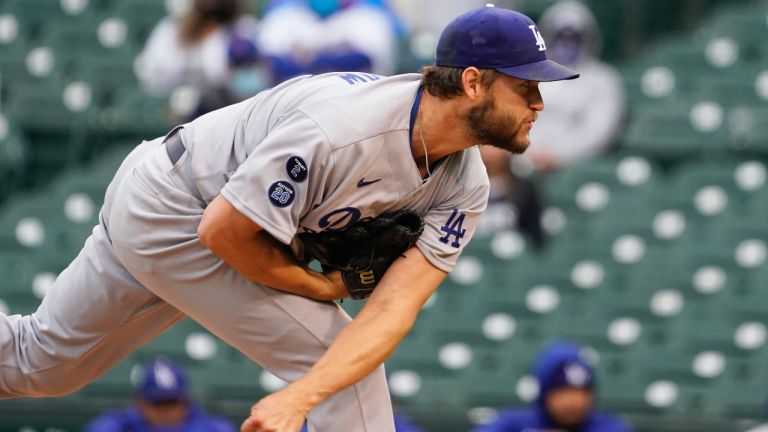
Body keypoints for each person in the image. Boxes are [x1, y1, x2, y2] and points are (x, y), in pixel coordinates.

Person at [0, 5, 577, 432]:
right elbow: (222, 232)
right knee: (344, 379)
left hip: (175, 197)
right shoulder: (346, 130)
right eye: (526, 86)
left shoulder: (465, 183)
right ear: (473, 82)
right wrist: (312, 292)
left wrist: (308, 361)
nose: (540, 103)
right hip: (178, 207)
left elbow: (393, 310)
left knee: (40, 366)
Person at [525, 0, 625, 170]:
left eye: (574, 37)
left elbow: (599, 131)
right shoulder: (526, 75)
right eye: (560, 36)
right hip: (524, 163)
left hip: (578, 166)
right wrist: (528, 155)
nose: (567, 44)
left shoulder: (603, 80)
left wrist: (560, 155)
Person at [472, 341, 632, 432]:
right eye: (562, 390)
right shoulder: (511, 422)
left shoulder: (608, 426)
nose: (573, 401)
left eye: (581, 391)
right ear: (543, 393)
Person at [140, 0, 263, 115]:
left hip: (225, 110)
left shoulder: (244, 26)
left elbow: (254, 81)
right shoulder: (172, 29)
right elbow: (152, 75)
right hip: (181, 111)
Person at [258, 0, 401, 83]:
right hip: (293, 108)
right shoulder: (282, 17)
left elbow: (369, 60)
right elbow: (268, 61)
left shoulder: (369, 17)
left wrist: (310, 62)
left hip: (355, 108)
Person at [82, 359, 236, 432]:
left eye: (172, 402)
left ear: (186, 401)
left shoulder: (213, 428)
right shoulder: (117, 425)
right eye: (157, 403)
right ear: (140, 403)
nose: (165, 410)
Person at [476, 145, 545, 248]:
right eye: (483, 145)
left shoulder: (523, 188)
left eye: (495, 145)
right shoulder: (458, 188)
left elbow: (533, 230)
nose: (489, 152)